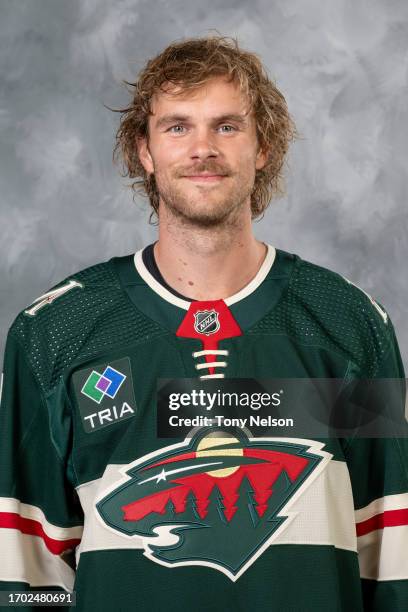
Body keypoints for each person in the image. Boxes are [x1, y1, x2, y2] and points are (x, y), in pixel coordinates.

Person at [0, 35, 407, 612]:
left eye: (227, 126)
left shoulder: (349, 326)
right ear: (144, 150)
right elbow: (26, 577)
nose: (202, 149)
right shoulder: (54, 333)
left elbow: (390, 554)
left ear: (263, 146)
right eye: (177, 127)